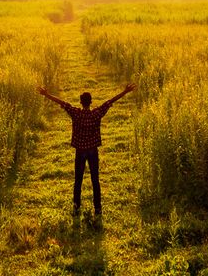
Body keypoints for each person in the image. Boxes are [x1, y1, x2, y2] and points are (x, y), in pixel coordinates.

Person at [38, 83, 135, 217]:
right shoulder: (96, 113)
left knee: (78, 180)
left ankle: (76, 208)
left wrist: (47, 94)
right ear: (91, 102)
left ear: (80, 102)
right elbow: (110, 101)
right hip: (93, 151)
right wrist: (125, 92)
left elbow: (62, 103)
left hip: (80, 151)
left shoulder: (76, 113)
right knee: (95, 180)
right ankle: (98, 209)